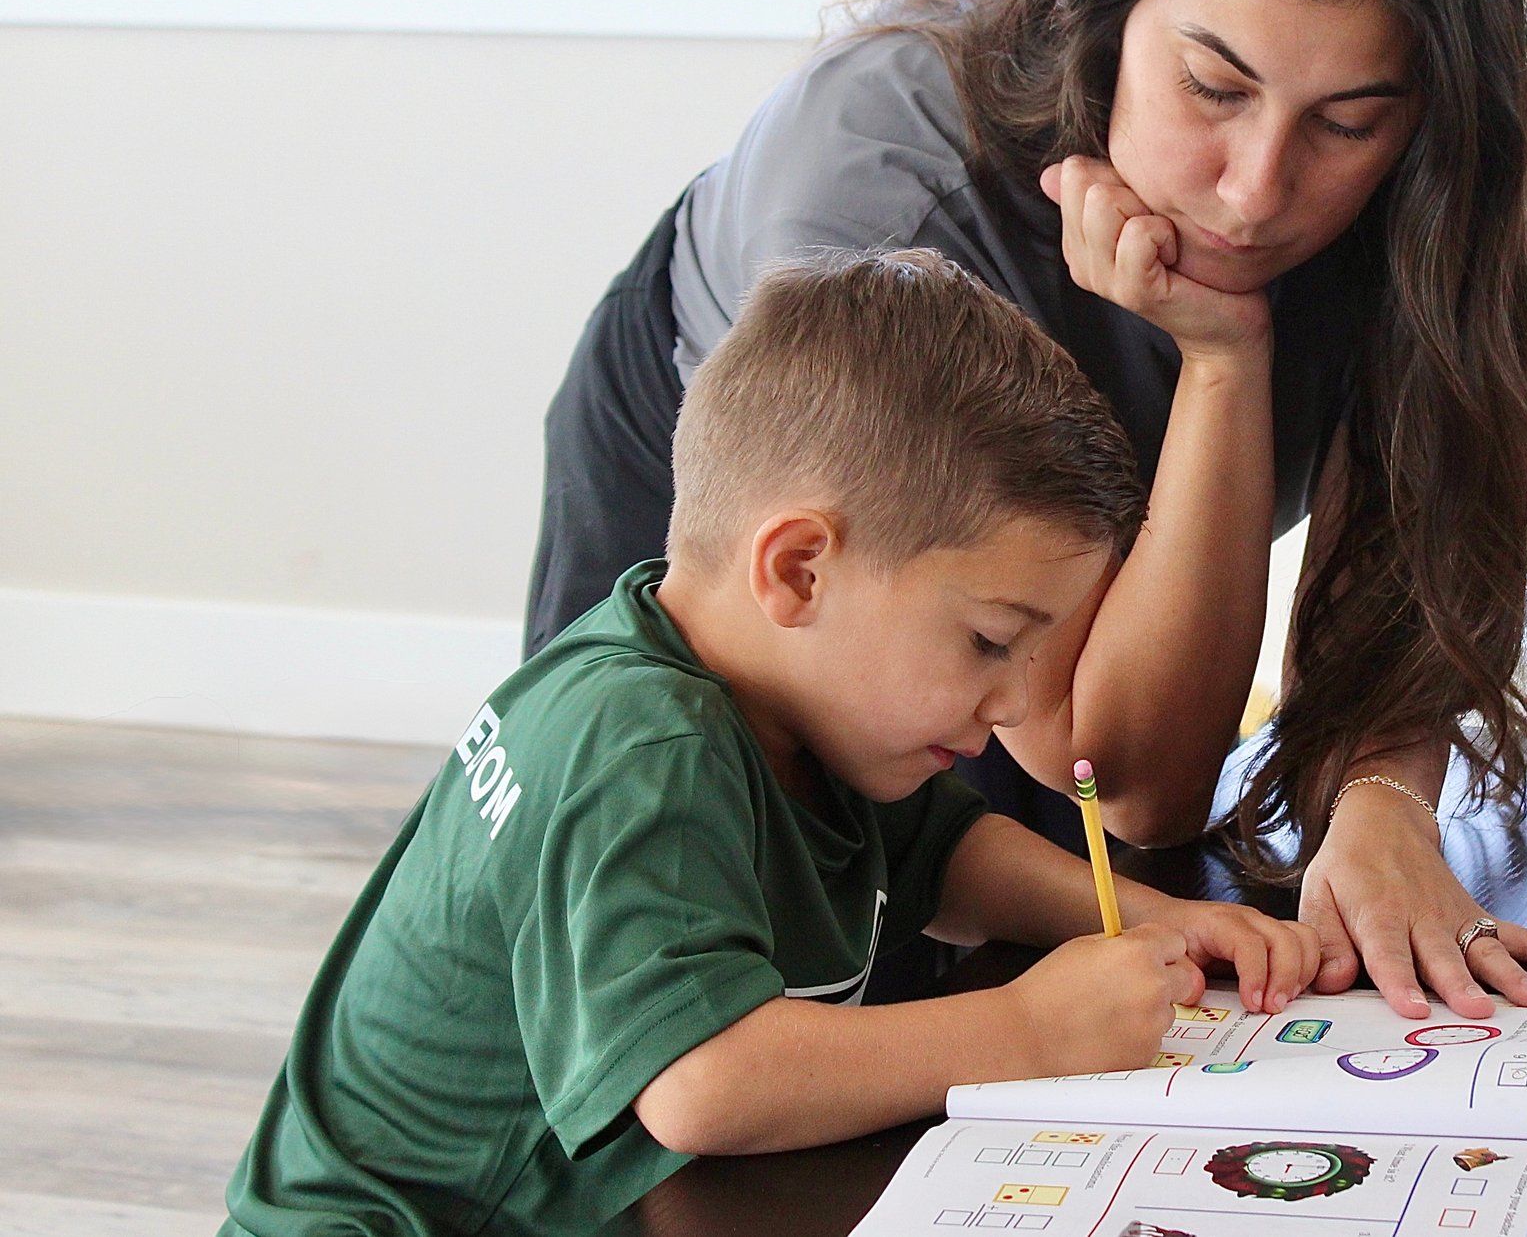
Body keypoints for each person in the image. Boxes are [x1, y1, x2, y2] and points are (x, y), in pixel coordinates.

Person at [528, 0, 1527, 1021]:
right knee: (734, 962)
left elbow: (1405, 560)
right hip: (773, 487)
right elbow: (1117, 767)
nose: (1255, 190)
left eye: (1349, 122)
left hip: (1053, 567)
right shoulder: (891, 185)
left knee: (1091, 938)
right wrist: (1223, 351)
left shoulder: (1465, 164)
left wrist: (1380, 803)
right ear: (1109, 0)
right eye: (1213, 84)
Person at [224, 253, 1321, 1236]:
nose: (1014, 703)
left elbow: (943, 859)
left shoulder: (802, 707)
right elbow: (704, 1081)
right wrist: (1029, 1029)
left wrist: (1149, 915)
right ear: (799, 569)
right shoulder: (637, 740)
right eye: (990, 640)